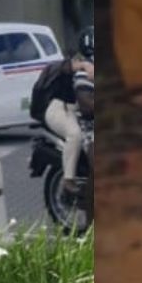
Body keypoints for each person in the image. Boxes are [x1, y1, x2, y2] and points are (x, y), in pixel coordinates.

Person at [38, 30, 95, 197]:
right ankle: (68, 180)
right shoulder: (85, 67)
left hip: (75, 112)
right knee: (75, 135)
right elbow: (85, 103)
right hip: (60, 110)